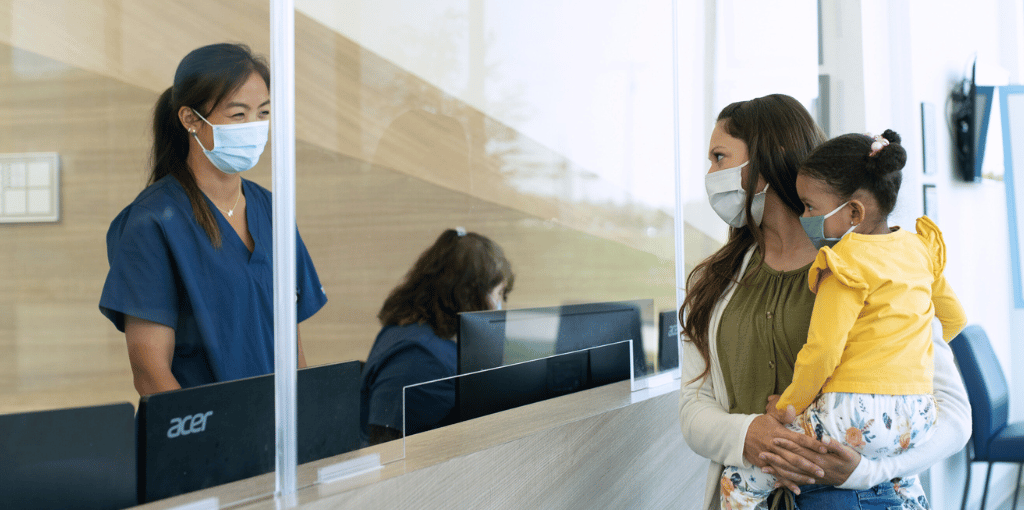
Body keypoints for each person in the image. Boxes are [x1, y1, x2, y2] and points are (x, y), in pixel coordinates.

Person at [678, 94, 971, 510]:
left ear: (766, 162)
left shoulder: (870, 266)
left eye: (719, 157)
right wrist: (747, 436)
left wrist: (868, 472)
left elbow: (956, 417)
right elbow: (693, 407)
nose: (710, 174)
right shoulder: (715, 283)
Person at [99, 43, 327, 395]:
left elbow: (292, 349)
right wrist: (207, 443)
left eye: (263, 113)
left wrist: (302, 427)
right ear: (190, 119)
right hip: (204, 438)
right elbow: (150, 374)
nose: (254, 126)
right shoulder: (153, 222)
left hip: (276, 436)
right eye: (238, 115)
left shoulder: (272, 211)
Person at [360, 228, 514, 445]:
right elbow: (392, 451)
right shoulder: (419, 358)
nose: (500, 306)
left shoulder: (425, 339)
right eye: (498, 293)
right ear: (468, 294)